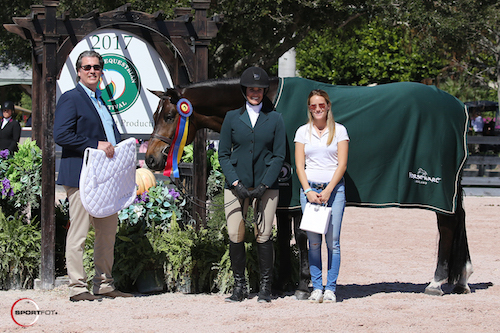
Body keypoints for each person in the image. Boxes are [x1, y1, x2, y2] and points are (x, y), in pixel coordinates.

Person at [54, 50, 133, 302]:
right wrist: (95, 144)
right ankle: (77, 287)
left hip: (106, 180)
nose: (92, 71)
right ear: (78, 71)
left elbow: (111, 140)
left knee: (107, 232)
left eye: (96, 67)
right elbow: (61, 135)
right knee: (78, 232)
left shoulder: (101, 101)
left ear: (101, 71)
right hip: (79, 176)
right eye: (87, 67)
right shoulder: (71, 98)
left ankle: (104, 284)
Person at [218, 67, 286, 303]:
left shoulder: (275, 118)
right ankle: (239, 287)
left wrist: (265, 184)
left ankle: (265, 288)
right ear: (244, 90)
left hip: (266, 185)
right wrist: (235, 182)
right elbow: (223, 154)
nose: (255, 93)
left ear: (264, 91)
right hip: (236, 184)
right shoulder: (231, 118)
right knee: (236, 232)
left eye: (259, 89)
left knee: (263, 234)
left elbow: (279, 155)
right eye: (251, 89)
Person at [294, 89, 349, 303]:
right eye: (313, 106)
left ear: (328, 106)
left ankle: (331, 288)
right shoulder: (302, 132)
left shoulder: (340, 131)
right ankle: (317, 286)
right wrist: (308, 190)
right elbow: (299, 165)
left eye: (321, 105)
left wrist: (328, 190)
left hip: (334, 191)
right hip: (310, 191)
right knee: (313, 242)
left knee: (333, 242)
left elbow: (342, 164)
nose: (318, 109)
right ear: (309, 108)